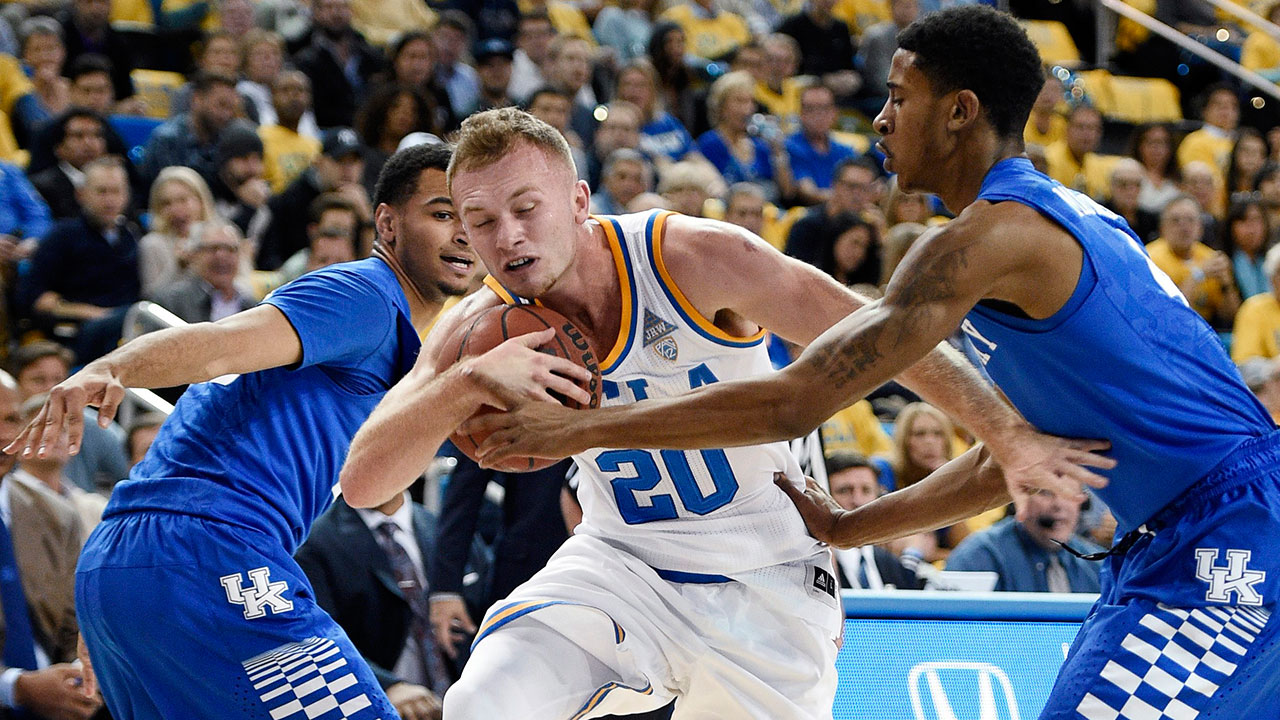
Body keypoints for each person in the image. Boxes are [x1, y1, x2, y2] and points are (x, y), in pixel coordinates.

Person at [473, 9, 1280, 719]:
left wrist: (580, 428)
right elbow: (1012, 457)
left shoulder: (986, 241)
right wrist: (850, 527)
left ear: (960, 112)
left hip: (1228, 537)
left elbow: (794, 403)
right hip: (1192, 533)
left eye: (899, 98)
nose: (882, 120)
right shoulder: (1050, 223)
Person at [338, 107, 1108, 719]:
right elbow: (366, 482)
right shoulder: (479, 330)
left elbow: (885, 334)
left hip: (765, 576)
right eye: (478, 220)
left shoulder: (691, 257)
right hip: (621, 564)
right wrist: (462, 382)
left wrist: (1007, 433)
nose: (506, 237)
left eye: (525, 208)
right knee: (484, 702)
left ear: (577, 201)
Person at [5, 143, 581, 720]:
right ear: (386, 223)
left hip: (124, 558)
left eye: (472, 218)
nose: (462, 234)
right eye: (441, 213)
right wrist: (111, 367)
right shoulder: (364, 295)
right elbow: (217, 345)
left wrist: (121, 594)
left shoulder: (406, 340)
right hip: (210, 551)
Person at [295, 491, 458, 720]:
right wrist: (387, 685)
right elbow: (315, 639)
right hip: (377, 705)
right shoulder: (313, 541)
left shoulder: (442, 527)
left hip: (460, 699)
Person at [0, 372, 101, 720]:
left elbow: (75, 625)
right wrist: (16, 688)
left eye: (11, 420)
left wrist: (80, 671)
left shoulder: (56, 515)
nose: (3, 435)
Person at [946, 488, 1103, 593]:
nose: (1059, 505)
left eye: (1068, 493)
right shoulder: (979, 556)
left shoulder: (1098, 565)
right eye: (1046, 493)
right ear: (1019, 498)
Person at [823, 451, 922, 590]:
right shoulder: (813, 564)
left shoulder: (892, 565)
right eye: (844, 491)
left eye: (866, 490)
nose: (858, 501)